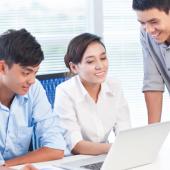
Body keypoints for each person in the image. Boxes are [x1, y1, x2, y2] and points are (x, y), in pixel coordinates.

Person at [54, 33, 131, 155]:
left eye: (103, 58)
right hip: (75, 160)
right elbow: (76, 146)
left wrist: (126, 147)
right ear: (74, 67)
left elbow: (125, 131)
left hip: (106, 156)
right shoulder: (65, 92)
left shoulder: (114, 86)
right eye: (90, 61)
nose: (100, 66)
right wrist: (115, 148)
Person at [0, 29, 66, 167]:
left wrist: (9, 166)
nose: (32, 80)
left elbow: (56, 148)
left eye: (35, 73)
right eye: (26, 73)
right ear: (2, 67)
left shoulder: (34, 88)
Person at [132, 0, 170, 123]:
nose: (149, 30)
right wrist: (152, 134)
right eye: (142, 23)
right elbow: (153, 83)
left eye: (154, 22)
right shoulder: (146, 34)